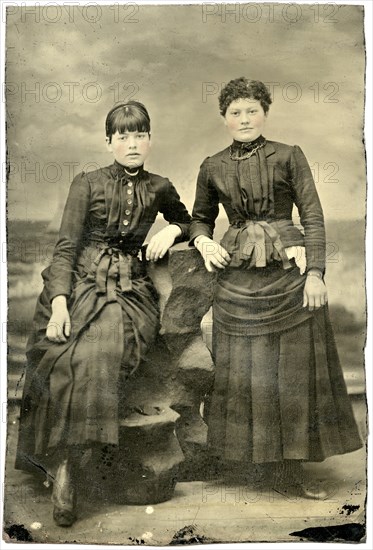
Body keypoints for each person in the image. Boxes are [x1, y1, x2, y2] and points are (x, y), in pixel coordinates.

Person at [15, 101, 191, 526]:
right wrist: (58, 302)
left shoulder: (161, 186)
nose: (132, 144)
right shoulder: (86, 183)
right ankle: (64, 467)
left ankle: (71, 466)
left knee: (100, 352)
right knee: (64, 354)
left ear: (149, 139)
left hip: (130, 289)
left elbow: (191, 221)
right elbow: (65, 249)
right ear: (109, 142)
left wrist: (172, 229)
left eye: (140, 135)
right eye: (123, 136)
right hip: (79, 284)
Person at [190, 77, 362, 498]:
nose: (244, 118)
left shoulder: (289, 156)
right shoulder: (212, 165)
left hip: (289, 275)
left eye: (251, 110)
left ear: (264, 112)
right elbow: (200, 216)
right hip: (236, 278)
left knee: (289, 373)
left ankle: (289, 468)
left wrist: (317, 273)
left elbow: (314, 216)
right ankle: (247, 464)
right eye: (235, 112)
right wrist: (203, 239)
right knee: (244, 372)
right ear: (224, 118)